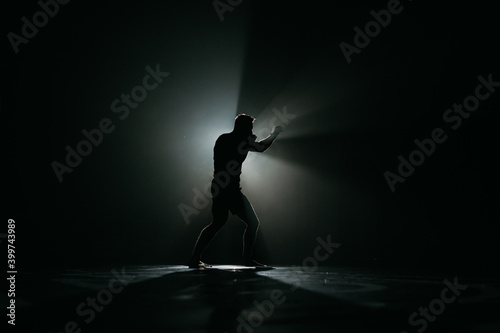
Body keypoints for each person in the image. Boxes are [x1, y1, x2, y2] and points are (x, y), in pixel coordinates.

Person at [188, 114, 282, 268]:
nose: (251, 130)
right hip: (228, 189)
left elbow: (258, 148)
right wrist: (271, 135)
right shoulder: (228, 140)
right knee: (250, 222)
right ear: (243, 127)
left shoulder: (229, 139)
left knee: (218, 223)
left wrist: (263, 138)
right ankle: (246, 259)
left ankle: (195, 258)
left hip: (221, 187)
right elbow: (248, 151)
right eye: (249, 127)